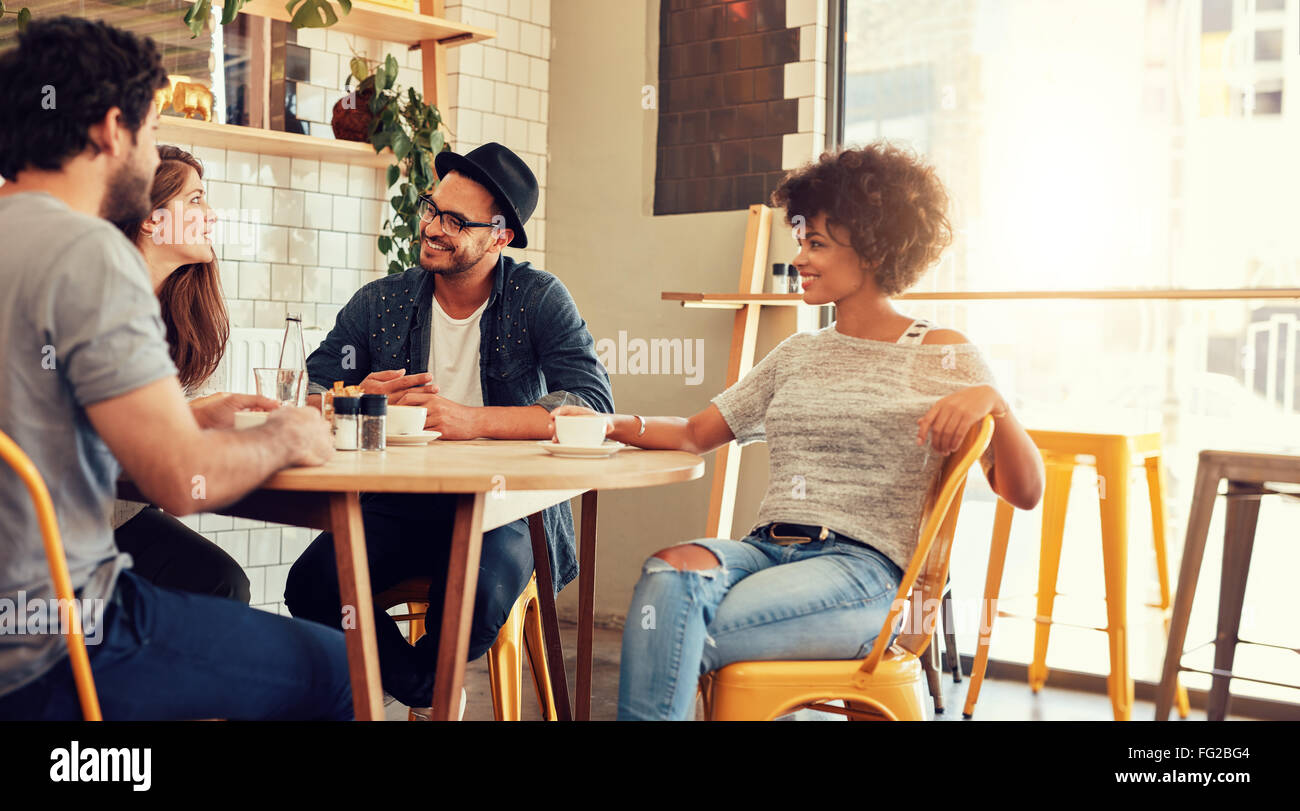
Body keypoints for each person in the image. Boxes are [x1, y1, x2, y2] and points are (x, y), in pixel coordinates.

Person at [551, 143, 1046, 721]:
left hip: (865, 574)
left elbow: (1026, 490)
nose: (800, 257)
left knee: (677, 633)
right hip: (764, 549)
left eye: (817, 244)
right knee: (668, 577)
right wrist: (605, 422)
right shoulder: (797, 354)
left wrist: (996, 403)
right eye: (801, 239)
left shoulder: (942, 354)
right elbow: (693, 433)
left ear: (873, 250)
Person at [0, 16, 350, 720]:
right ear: (109, 129)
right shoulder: (90, 253)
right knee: (346, 668)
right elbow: (181, 480)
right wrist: (288, 434)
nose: (152, 151)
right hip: (61, 639)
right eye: (151, 131)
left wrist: (192, 412)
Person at [285, 142, 614, 712]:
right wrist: (352, 398)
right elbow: (308, 390)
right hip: (398, 503)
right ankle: (427, 690)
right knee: (312, 583)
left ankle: (417, 689)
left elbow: (591, 400)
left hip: (505, 510)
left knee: (479, 598)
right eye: (431, 208)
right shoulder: (381, 303)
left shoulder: (538, 299)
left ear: (500, 236)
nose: (433, 228)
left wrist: (470, 421)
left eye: (456, 221)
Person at [109, 145, 250, 603]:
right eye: (195, 199)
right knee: (218, 585)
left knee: (222, 582)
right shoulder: (101, 301)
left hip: (121, 512)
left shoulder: (176, 314)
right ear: (150, 217)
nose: (210, 214)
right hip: (60, 521)